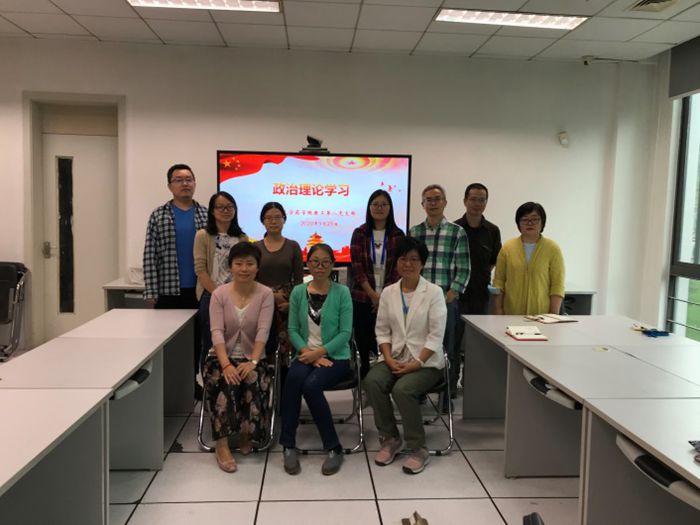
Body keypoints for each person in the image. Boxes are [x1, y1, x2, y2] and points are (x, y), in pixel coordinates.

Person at [364, 237, 447, 475]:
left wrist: (416, 363)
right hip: (394, 357)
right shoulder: (389, 292)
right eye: (403, 259)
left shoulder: (434, 293)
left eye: (414, 259)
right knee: (372, 381)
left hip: (426, 362)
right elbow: (382, 331)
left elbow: (435, 335)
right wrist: (388, 359)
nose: (408, 264)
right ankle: (390, 438)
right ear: (396, 262)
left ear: (422, 263)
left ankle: (418, 448)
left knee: (403, 389)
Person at [280, 244, 352, 477]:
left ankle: (334, 447)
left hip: (335, 357)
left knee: (311, 386)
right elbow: (292, 329)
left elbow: (345, 333)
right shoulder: (298, 292)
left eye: (325, 262)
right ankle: (288, 444)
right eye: (315, 262)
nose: (320, 266)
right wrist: (308, 353)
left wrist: (319, 353)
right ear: (308, 264)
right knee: (293, 379)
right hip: (305, 354)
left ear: (332, 264)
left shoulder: (342, 293)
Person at [203, 242, 274, 473]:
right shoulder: (219, 294)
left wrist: (252, 361)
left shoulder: (265, 294)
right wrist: (226, 364)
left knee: (252, 377)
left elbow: (263, 331)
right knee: (225, 380)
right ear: (231, 266)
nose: (244, 268)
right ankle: (222, 445)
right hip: (221, 356)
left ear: (258, 267)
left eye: (250, 264)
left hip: (254, 356)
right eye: (239, 263)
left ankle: (246, 432)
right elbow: (216, 332)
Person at [143, 163, 207, 397]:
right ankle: (169, 387)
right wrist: (151, 290)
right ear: (170, 185)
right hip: (168, 290)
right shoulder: (158, 215)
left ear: (195, 183)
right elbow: (150, 254)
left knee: (197, 340)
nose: (185, 183)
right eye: (179, 180)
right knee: (169, 341)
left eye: (189, 179)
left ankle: (191, 382)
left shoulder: (205, 214)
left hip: (200, 290)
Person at [409, 184, 469, 397]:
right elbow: (409, 266)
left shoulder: (457, 232)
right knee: (418, 346)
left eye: (437, 199)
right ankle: (418, 393)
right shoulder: (415, 232)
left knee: (447, 350)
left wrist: (452, 293)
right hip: (419, 301)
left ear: (445, 202)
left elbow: (464, 268)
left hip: (446, 301)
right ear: (422, 204)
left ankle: (447, 396)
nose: (433, 203)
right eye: (429, 199)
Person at [350, 189, 405, 378]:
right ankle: (364, 379)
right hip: (363, 297)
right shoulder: (359, 233)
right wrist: (373, 295)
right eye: (375, 204)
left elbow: (399, 267)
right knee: (363, 340)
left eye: (383, 204)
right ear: (369, 207)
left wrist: (384, 296)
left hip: (391, 297)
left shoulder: (398, 234)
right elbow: (357, 267)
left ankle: (387, 377)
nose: (379, 208)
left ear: (390, 208)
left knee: (388, 339)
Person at [194, 191, 247, 358]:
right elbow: (200, 269)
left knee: (234, 342)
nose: (226, 210)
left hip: (237, 297)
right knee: (210, 344)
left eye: (230, 207)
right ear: (212, 211)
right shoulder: (203, 235)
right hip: (211, 295)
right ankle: (209, 375)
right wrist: (218, 294)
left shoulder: (242, 238)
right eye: (221, 207)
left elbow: (245, 270)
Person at [493, 202, 565, 315]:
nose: (530, 223)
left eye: (535, 219)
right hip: (511, 313)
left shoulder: (552, 248)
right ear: (518, 224)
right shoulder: (507, 248)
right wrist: (499, 309)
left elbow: (557, 284)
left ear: (542, 223)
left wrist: (553, 314)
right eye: (524, 219)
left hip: (542, 315)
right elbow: (499, 282)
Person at [254, 202, 304, 366]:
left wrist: (292, 304)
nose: (273, 221)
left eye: (277, 217)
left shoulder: (293, 246)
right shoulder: (255, 247)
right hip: (261, 301)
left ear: (284, 219)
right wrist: (271, 296)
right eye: (269, 218)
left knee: (286, 348)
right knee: (264, 344)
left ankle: (284, 379)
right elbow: (252, 280)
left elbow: (299, 281)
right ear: (263, 221)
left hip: (286, 302)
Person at [454, 183, 501, 315]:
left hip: (481, 293)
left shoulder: (493, 231)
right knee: (455, 327)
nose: (477, 204)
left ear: (486, 203)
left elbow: (494, 260)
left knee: (480, 328)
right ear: (465, 201)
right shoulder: (454, 229)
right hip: (457, 293)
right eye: (473, 199)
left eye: (481, 200)